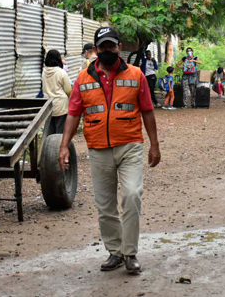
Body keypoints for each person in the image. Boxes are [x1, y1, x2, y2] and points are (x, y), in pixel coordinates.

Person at [58, 26, 161, 275]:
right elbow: (73, 114)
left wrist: (154, 144)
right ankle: (115, 252)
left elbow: (147, 110)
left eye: (111, 46)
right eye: (103, 46)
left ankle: (130, 253)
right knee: (105, 205)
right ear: (96, 49)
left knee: (132, 195)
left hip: (129, 145)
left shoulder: (136, 75)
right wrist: (63, 146)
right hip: (98, 149)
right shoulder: (83, 78)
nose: (107, 50)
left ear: (118, 48)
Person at [42, 49, 72, 134]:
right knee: (60, 131)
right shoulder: (61, 72)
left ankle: (49, 146)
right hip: (61, 105)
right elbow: (68, 90)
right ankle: (59, 146)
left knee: (50, 131)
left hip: (48, 104)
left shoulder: (44, 72)